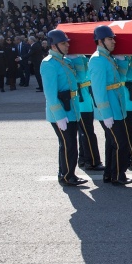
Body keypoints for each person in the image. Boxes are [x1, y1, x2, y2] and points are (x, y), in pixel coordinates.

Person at [88, 25, 132, 185]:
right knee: (121, 143)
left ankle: (109, 174)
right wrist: (105, 114)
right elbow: (98, 90)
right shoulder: (97, 60)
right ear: (100, 41)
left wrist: (121, 60)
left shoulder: (108, 58)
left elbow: (120, 77)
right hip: (109, 111)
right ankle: (118, 175)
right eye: (110, 39)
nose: (113, 41)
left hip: (116, 108)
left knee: (111, 142)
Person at [40, 29, 87, 185]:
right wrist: (59, 115)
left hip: (72, 109)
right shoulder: (48, 64)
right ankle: (67, 176)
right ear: (54, 46)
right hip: (60, 112)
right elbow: (50, 94)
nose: (67, 45)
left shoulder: (66, 61)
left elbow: (80, 78)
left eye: (67, 42)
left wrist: (78, 58)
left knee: (70, 144)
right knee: (68, 145)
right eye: (63, 43)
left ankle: (66, 173)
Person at [67, 54, 105, 172]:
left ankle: (83, 158)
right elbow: (82, 76)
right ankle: (92, 161)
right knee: (88, 133)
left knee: (84, 131)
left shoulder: (79, 58)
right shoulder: (70, 60)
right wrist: (79, 57)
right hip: (81, 102)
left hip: (85, 100)